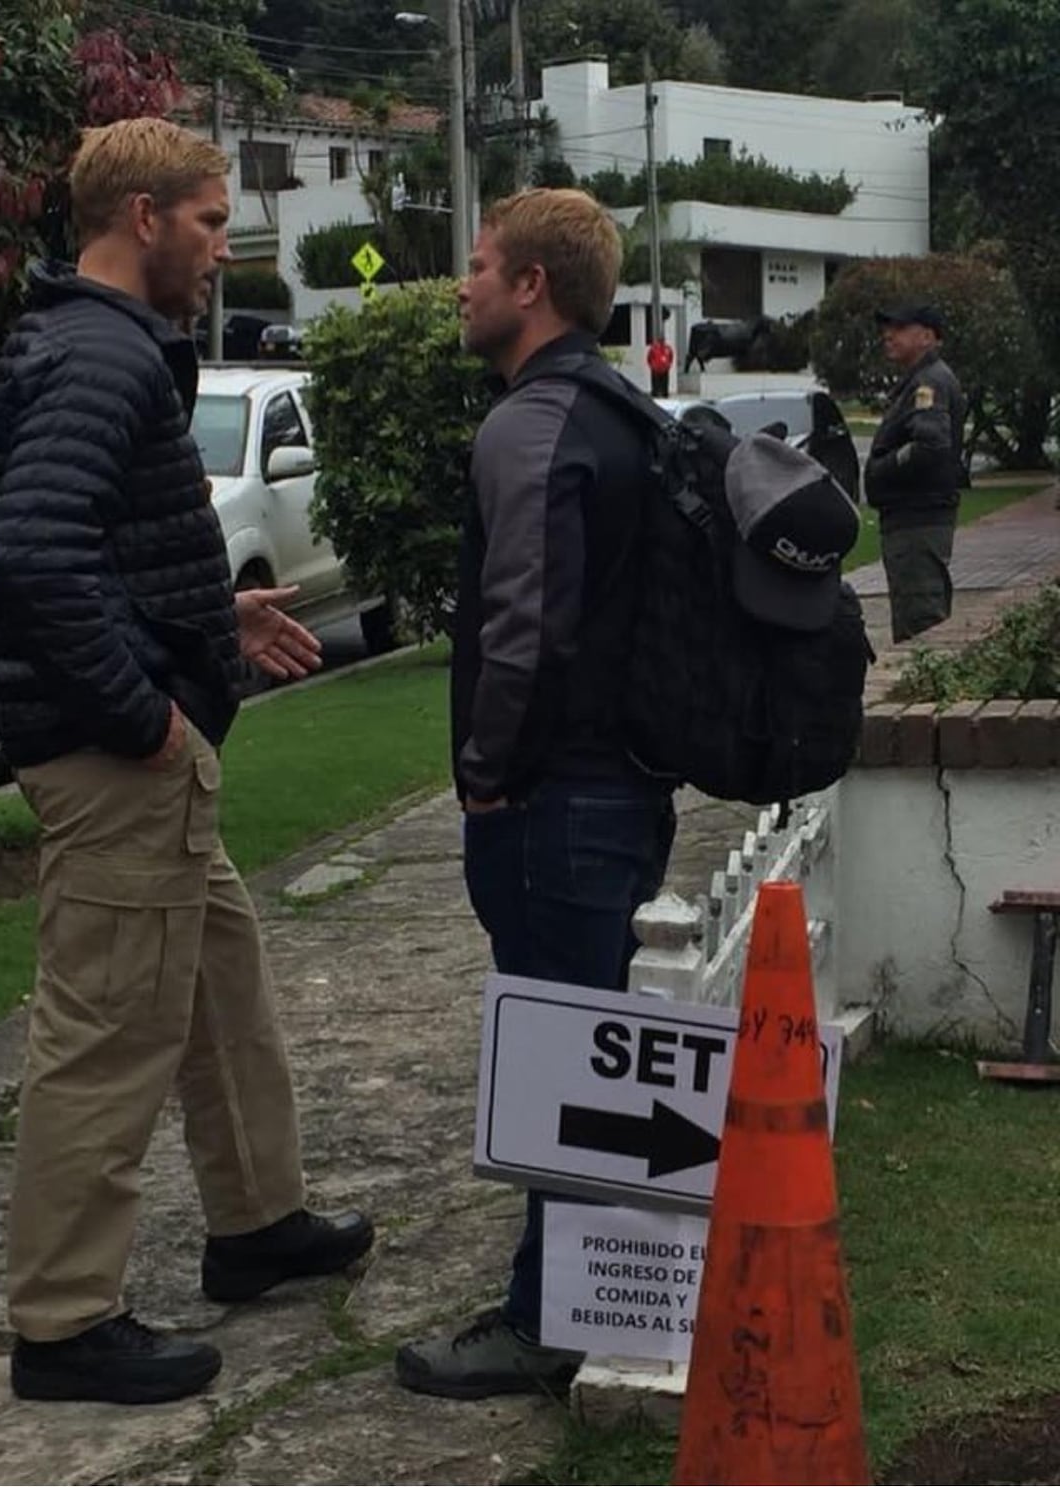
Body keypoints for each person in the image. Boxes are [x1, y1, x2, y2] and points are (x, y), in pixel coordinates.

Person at [0, 117, 373, 1407]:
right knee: (105, 1030)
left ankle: (258, 1223)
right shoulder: (102, 353)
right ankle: (63, 1322)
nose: (220, 248)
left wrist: (214, 617)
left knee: (222, 986)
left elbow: (95, 542)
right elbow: (34, 553)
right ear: (143, 217)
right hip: (116, 756)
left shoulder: (93, 340)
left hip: (134, 740)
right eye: (209, 222)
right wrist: (141, 710)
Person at [393, 189, 677, 1401]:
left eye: (477, 266)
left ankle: (542, 1320)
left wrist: (487, 780)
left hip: (553, 800)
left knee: (562, 1067)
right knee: (592, 1052)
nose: (460, 287)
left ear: (531, 287)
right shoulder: (627, 412)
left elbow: (525, 633)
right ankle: (585, 1290)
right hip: (630, 786)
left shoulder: (531, 424)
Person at [865, 303, 966, 642]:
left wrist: (882, 468)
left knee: (921, 626)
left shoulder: (929, 382)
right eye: (887, 329)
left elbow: (930, 446)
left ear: (927, 336)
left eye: (899, 328)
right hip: (911, 518)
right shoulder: (919, 380)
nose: (888, 335)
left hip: (918, 519)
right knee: (915, 614)